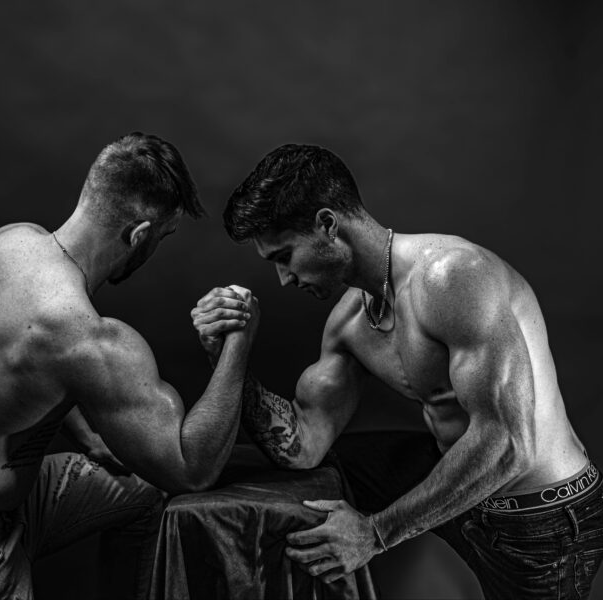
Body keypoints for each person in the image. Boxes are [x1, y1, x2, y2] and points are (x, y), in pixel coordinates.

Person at [191, 143, 603, 599]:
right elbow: (303, 445)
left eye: (284, 256)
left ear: (328, 225)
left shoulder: (450, 278)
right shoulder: (351, 322)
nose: (283, 279)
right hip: (469, 491)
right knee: (333, 466)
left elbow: (509, 443)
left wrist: (375, 532)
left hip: (539, 515)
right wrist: (229, 353)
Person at [0, 132, 259, 600]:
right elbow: (191, 469)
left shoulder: (8, 243)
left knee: (143, 489)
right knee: (170, 479)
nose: (157, 247)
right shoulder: (86, 338)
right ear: (138, 235)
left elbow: (17, 363)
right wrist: (239, 338)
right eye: (162, 236)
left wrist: (92, 437)